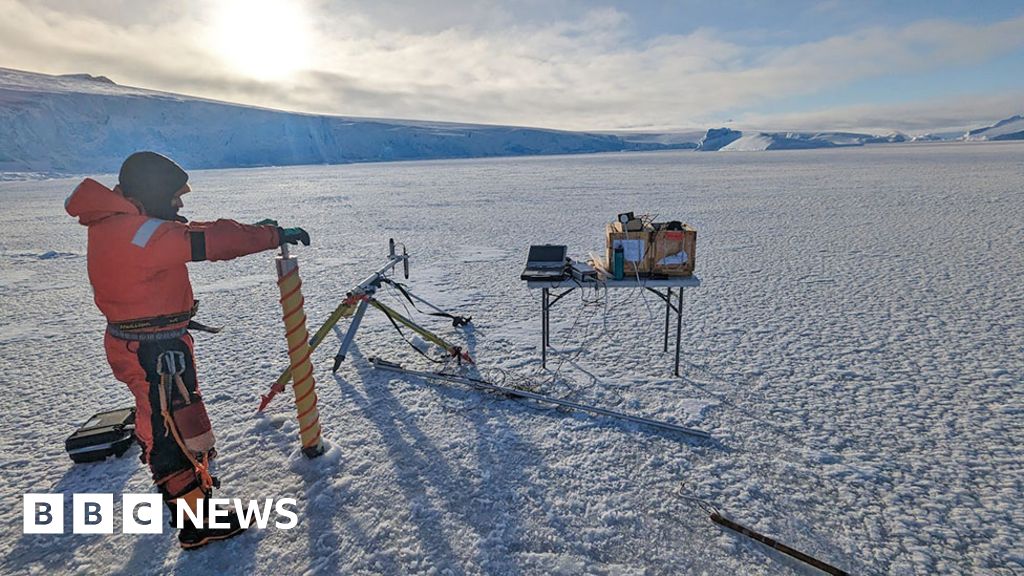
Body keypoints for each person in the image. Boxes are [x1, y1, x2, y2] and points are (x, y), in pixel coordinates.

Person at [65, 151, 310, 549]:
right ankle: (196, 522)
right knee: (171, 429)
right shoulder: (139, 235)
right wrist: (270, 236)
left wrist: (258, 229)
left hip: (148, 345)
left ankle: (194, 496)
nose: (180, 204)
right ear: (152, 193)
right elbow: (210, 240)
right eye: (174, 196)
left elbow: (194, 229)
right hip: (154, 352)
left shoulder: (126, 225)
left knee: (168, 419)